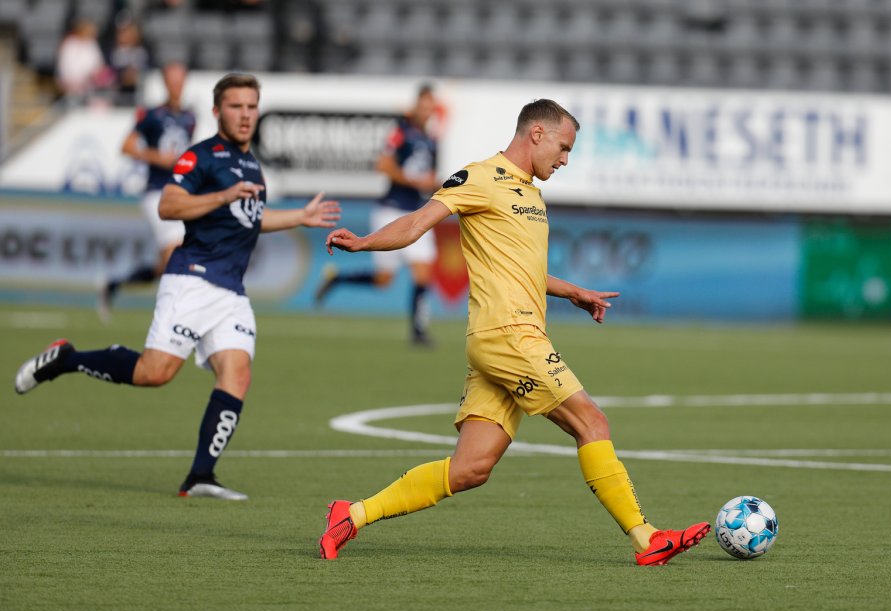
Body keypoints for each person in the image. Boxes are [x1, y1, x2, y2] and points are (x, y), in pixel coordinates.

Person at [318, 99, 709, 566]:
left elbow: (526, 270)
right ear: (537, 134)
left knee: (470, 469)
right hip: (509, 334)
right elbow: (418, 222)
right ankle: (647, 538)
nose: (565, 160)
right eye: (564, 148)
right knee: (592, 422)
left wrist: (574, 292)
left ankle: (351, 515)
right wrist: (364, 242)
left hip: (500, 341)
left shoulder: (532, 195)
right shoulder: (480, 178)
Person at [14, 73, 341, 500]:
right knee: (155, 374)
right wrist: (220, 197)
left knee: (236, 373)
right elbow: (169, 205)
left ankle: (200, 476)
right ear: (216, 112)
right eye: (236, 107)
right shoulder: (200, 157)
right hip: (192, 280)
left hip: (231, 292)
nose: (245, 115)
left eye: (251, 107)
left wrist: (298, 217)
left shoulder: (249, 163)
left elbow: (249, 220)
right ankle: (67, 358)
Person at [315, 85, 441, 346]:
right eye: (424, 105)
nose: (427, 111)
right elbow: (383, 164)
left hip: (418, 213)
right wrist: (416, 181)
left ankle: (418, 331)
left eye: (431, 106)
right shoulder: (401, 132)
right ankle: (336, 278)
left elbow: (429, 179)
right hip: (391, 210)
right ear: (416, 105)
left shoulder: (432, 141)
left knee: (423, 272)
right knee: (385, 280)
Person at [99, 62, 195, 322]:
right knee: (177, 256)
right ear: (165, 83)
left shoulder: (189, 117)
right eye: (172, 80)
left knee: (168, 264)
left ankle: (114, 285)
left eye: (180, 80)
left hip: (181, 194)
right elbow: (127, 146)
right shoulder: (152, 115)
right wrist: (157, 157)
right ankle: (172, 318)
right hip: (157, 194)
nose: (177, 85)